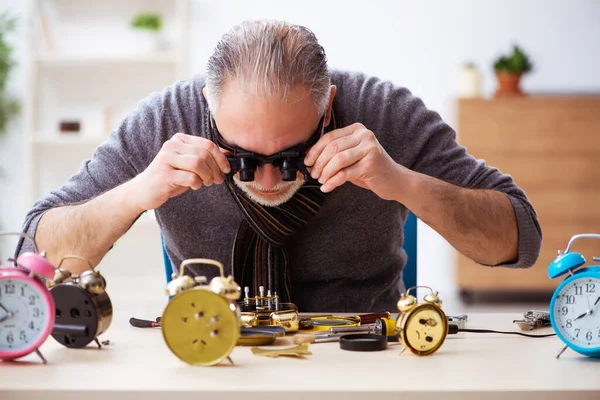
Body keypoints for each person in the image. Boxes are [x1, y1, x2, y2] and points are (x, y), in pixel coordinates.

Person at [16, 19, 542, 312]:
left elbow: (520, 240)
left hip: (364, 357)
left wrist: (402, 183)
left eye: (291, 157)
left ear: (329, 105)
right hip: (210, 346)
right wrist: (135, 192)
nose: (267, 180)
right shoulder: (164, 121)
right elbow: (33, 253)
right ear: (208, 106)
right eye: (243, 158)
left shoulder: (385, 112)